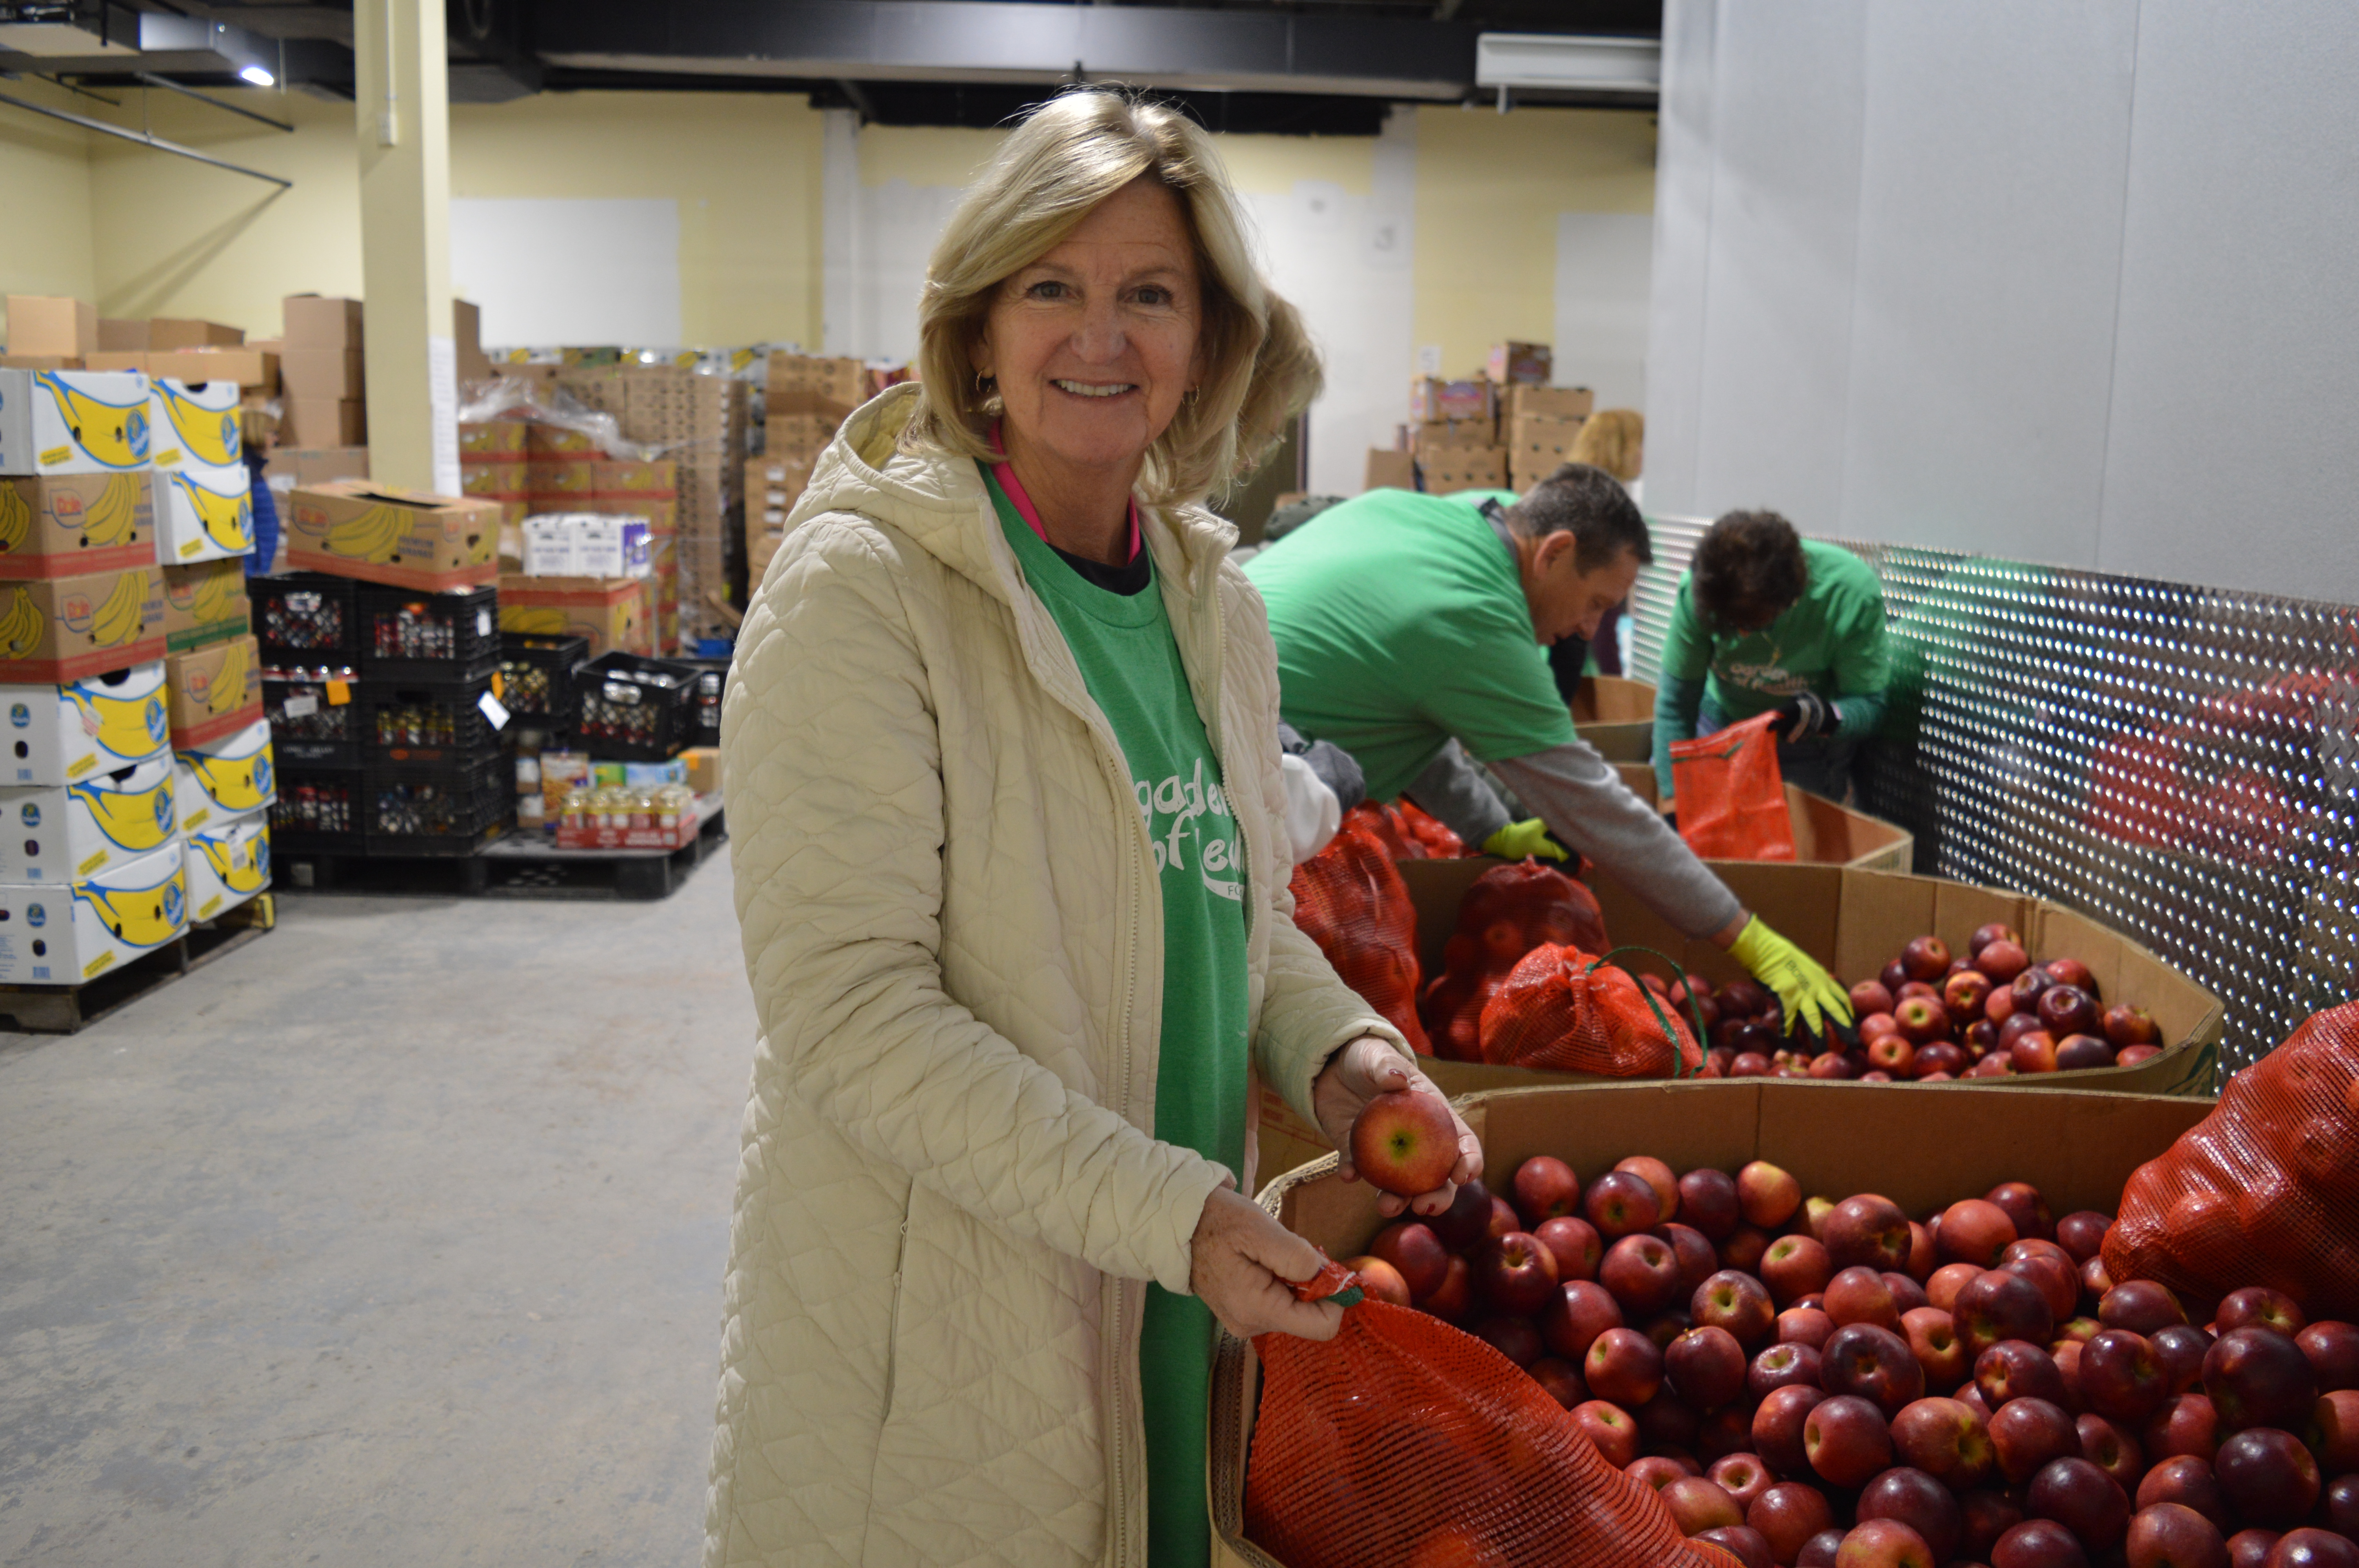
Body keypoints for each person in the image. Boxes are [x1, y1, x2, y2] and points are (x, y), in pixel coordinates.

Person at [711, 89, 1479, 1568]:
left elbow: (1224, 909)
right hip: (954, 1333)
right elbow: (847, 1010)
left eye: (1148, 294)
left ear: (1207, 344)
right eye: (1048, 287)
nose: (1097, 335)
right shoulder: (863, 595)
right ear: (977, 331)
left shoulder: (1211, 602)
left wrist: (1336, 1052)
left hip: (1166, 1301)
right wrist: (1169, 1212)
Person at [1243, 466, 1852, 1035]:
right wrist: (1745, 936)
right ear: (1554, 551)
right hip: (1230, 778)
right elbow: (1597, 810)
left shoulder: (1439, 521)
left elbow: (1402, 706)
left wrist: (1491, 828)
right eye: (1596, 605)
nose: (1592, 631)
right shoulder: (1473, 618)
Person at [1652, 509, 1892, 806]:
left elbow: (1872, 707)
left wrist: (1827, 718)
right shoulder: (1703, 589)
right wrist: (1673, 801)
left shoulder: (1848, 594)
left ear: (1790, 601)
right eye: (1726, 623)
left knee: (1796, 844)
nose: (1738, 636)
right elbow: (1676, 707)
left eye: (1749, 625)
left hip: (1807, 746)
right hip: (1720, 725)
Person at [1565, 408, 1643, 682]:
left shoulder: (1572, 490)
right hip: (1572, 642)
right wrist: (1616, 681)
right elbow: (1604, 613)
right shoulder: (1606, 507)